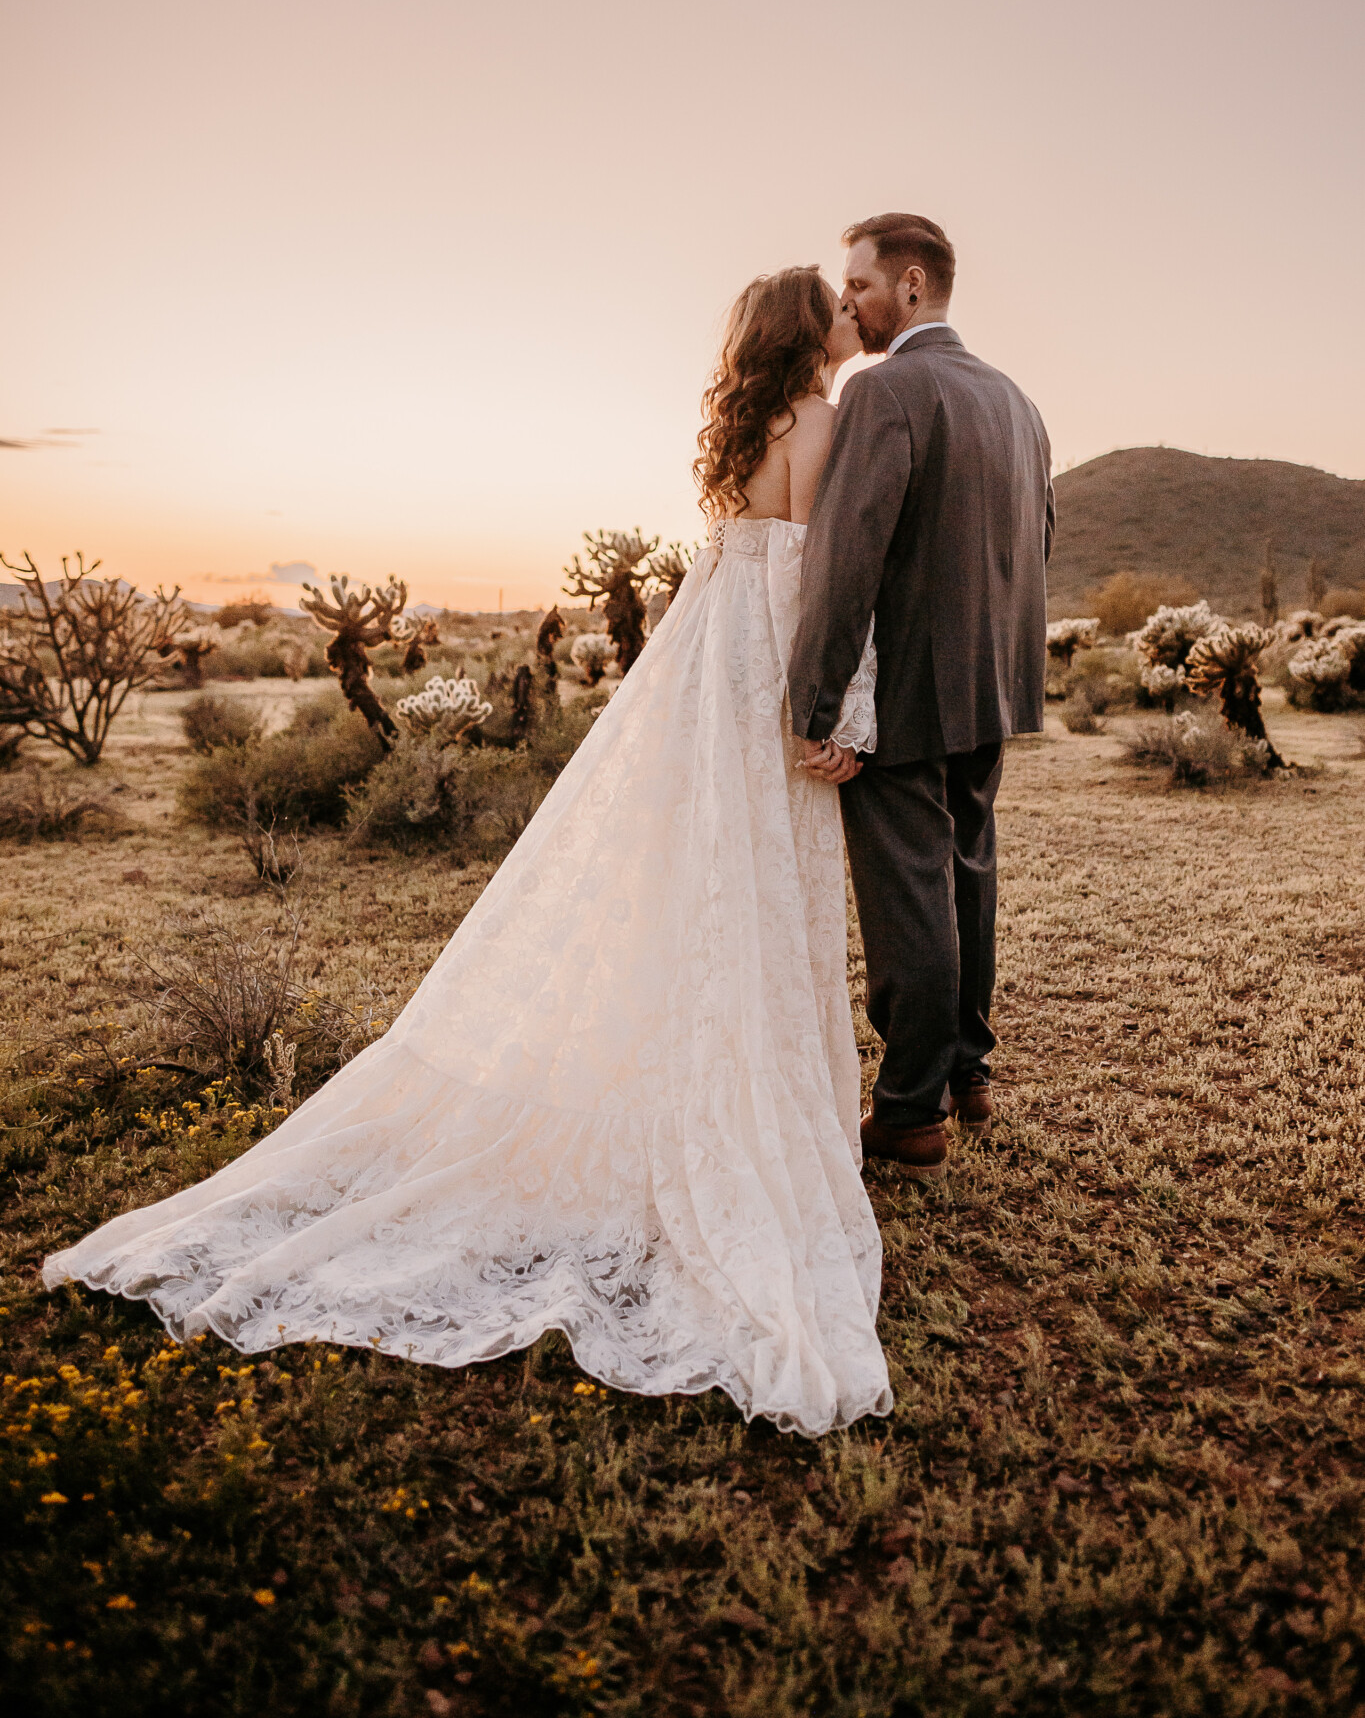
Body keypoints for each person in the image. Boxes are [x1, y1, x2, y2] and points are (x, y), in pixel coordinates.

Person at [45, 267, 893, 1439]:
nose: (856, 313)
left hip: (704, 664)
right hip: (760, 670)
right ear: (814, 329)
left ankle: (699, 1075)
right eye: (839, 303)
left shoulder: (753, 420)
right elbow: (809, 580)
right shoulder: (825, 417)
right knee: (755, 880)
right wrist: (840, 712)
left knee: (702, 878)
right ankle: (742, 1107)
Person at [789, 214, 1054, 1183]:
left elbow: (846, 553)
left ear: (909, 283)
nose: (846, 299)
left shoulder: (886, 388)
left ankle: (908, 1110)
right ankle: (969, 1072)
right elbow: (1039, 544)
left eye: (857, 282)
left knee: (911, 902)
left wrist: (817, 702)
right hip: (994, 684)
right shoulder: (1018, 402)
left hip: (905, 690)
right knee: (966, 878)